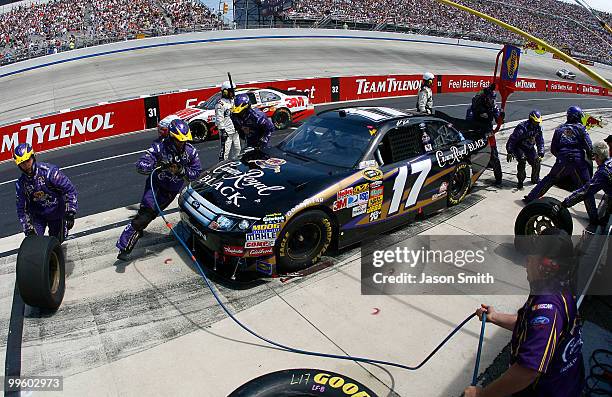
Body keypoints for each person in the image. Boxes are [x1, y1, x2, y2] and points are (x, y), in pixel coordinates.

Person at [464, 228, 584, 397]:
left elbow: (527, 371)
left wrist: (482, 394)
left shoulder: (548, 308)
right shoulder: (559, 289)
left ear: (545, 266)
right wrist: (494, 317)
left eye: (532, 256)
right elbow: (532, 328)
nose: (526, 260)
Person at [116, 119, 202, 261]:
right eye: (179, 140)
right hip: (155, 186)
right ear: (172, 137)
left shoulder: (191, 151)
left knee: (149, 215)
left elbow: (196, 173)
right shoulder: (159, 146)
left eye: (184, 140)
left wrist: (181, 171)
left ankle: (139, 228)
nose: (182, 143)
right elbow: (141, 164)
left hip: (171, 191)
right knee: (144, 217)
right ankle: (124, 247)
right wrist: (155, 164)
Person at [524, 106, 595, 219]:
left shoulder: (559, 129)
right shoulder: (581, 129)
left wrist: (562, 158)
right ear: (577, 117)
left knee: (550, 179)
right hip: (578, 161)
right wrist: (590, 156)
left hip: (562, 160)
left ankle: (530, 198)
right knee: (587, 187)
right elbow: (589, 147)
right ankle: (593, 217)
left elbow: (553, 149)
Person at [14, 143, 78, 243]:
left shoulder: (50, 172)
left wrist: (70, 212)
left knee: (57, 241)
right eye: (22, 163)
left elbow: (70, 190)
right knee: (34, 242)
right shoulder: (21, 184)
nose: (26, 165)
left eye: (27, 161)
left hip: (57, 213)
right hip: (38, 217)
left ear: (33, 157)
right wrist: (28, 228)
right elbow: (21, 209)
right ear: (18, 165)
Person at [561, 142, 611, 226]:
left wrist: (565, 203)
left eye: (594, 156)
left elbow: (585, 191)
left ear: (598, 156)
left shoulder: (603, 172)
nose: (594, 159)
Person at [467, 83, 504, 185]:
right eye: (490, 99)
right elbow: (468, 121)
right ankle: (469, 178)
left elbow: (499, 121)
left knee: (494, 155)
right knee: (470, 155)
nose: (492, 102)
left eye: (494, 100)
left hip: (488, 131)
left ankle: (498, 178)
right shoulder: (476, 103)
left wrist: (501, 117)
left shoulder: (494, 106)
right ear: (485, 98)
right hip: (475, 131)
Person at [506, 110, 545, 189]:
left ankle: (535, 179)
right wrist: (509, 151)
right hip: (519, 147)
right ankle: (520, 181)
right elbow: (512, 139)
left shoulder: (538, 129)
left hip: (529, 148)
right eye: (535, 122)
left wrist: (541, 152)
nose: (537, 124)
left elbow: (540, 141)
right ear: (531, 120)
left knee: (537, 161)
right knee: (522, 161)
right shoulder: (522, 127)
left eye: (538, 122)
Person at [216, 81, 241, 160]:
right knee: (225, 152)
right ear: (225, 92)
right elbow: (219, 118)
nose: (233, 93)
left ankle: (235, 164)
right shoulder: (220, 104)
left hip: (235, 129)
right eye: (231, 91)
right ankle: (221, 166)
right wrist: (222, 130)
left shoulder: (234, 101)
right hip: (226, 132)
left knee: (238, 149)